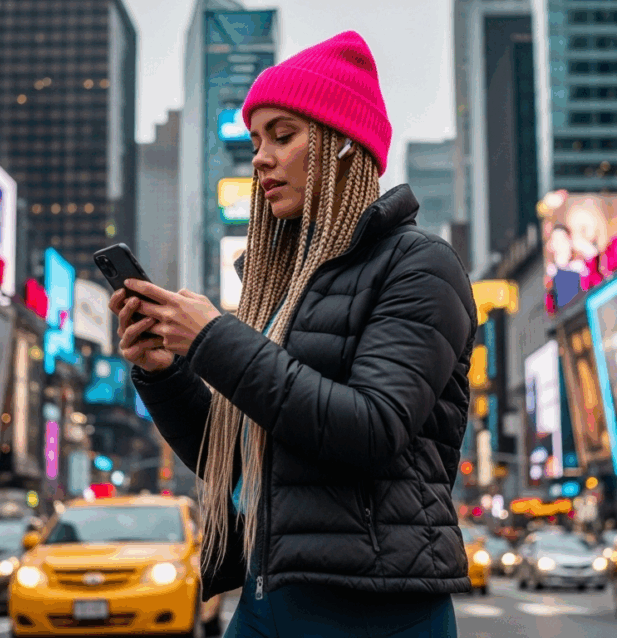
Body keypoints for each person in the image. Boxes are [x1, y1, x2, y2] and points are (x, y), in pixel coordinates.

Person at [111, 31, 475, 637]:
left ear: (340, 146)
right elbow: (237, 461)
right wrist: (164, 372)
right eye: (256, 141)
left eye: (283, 135)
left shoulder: (421, 265)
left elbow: (371, 428)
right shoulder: (278, 285)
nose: (260, 158)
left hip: (376, 609)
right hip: (266, 594)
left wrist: (213, 339)